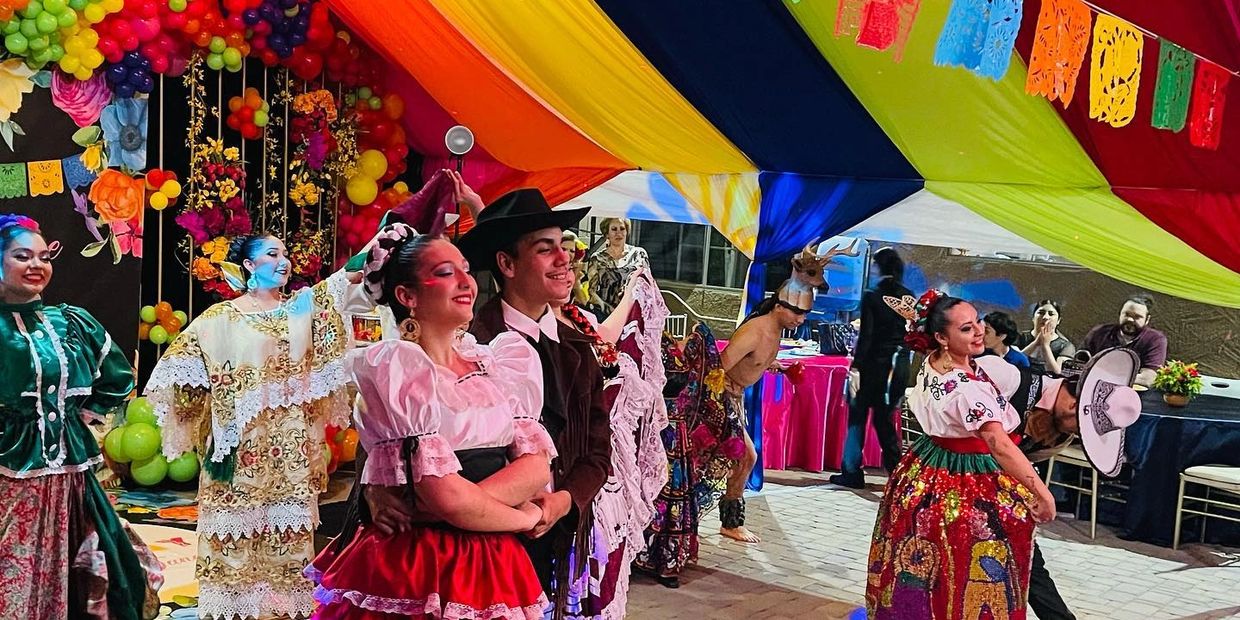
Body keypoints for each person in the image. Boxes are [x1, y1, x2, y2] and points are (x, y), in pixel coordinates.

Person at [307, 224, 555, 618]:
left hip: (491, 560)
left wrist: (468, 512)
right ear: (407, 296)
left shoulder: (499, 363)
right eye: (444, 272)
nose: (465, 282)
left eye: (466, 269)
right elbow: (445, 494)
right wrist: (525, 516)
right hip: (419, 562)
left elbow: (535, 465)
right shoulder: (397, 372)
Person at [146, 232, 368, 620]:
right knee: (236, 531)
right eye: (271, 254)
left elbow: (334, 288)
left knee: (286, 533)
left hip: (290, 446)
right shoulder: (220, 319)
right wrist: (192, 404)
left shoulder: (300, 309)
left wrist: (377, 245)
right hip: (239, 449)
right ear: (248, 265)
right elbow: (178, 367)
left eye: (285, 253)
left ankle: (281, 610)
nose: (283, 261)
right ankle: (234, 608)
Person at [447, 187, 611, 618]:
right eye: (546, 249)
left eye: (565, 246)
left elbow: (597, 451)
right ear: (507, 263)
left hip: (554, 539)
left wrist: (564, 500)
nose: (564, 259)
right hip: (478, 548)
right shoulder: (465, 345)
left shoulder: (578, 349)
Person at [0, 214, 162, 619]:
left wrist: (79, 416)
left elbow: (117, 375)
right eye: (23, 256)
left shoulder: (71, 323)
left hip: (70, 475)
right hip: (9, 472)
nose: (37, 266)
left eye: (44, 257)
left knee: (77, 562)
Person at [866, 289, 1056, 620]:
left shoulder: (933, 363)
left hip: (926, 468)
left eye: (977, 321)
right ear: (940, 336)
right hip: (966, 482)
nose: (979, 330)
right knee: (973, 563)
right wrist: (1042, 492)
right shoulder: (967, 390)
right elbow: (999, 444)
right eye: (966, 328)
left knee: (929, 567)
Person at [553, 257, 670, 617]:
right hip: (565, 469)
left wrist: (632, 291)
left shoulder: (579, 320)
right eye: (550, 254)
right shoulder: (523, 335)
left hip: (603, 467)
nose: (565, 268)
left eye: (570, 260)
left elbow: (608, 335)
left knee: (602, 566)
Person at [1005, 347, 1141, 620]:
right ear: (1072, 405)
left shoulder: (1061, 436)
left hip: (999, 488)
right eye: (1080, 426)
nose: (1078, 434)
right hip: (949, 476)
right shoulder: (1007, 378)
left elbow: (1022, 461)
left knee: (1027, 556)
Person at [634, 323, 745, 589]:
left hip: (672, 432)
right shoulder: (639, 345)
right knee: (648, 492)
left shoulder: (691, 345)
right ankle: (640, 556)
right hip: (649, 431)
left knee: (671, 493)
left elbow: (709, 386)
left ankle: (667, 562)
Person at [717, 296, 808, 543]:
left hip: (735, 396)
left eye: (804, 313)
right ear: (779, 306)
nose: (801, 319)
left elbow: (751, 359)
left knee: (744, 458)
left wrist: (770, 363)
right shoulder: (754, 331)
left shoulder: (774, 330)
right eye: (797, 312)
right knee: (747, 456)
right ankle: (731, 523)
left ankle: (730, 523)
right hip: (720, 394)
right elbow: (719, 366)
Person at [831, 246, 912, 489]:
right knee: (885, 421)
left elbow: (866, 336)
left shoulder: (872, 295)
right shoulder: (908, 296)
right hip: (897, 367)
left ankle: (852, 470)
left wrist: (856, 366)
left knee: (857, 418)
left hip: (872, 367)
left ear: (879, 267)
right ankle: (898, 475)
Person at [1079, 293, 1167, 387]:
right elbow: (1079, 363)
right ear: (1120, 313)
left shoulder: (1155, 340)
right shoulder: (1099, 332)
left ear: (1147, 319)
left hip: (1132, 396)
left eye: (1137, 317)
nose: (1130, 319)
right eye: (1126, 314)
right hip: (1091, 388)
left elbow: (1148, 379)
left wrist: (1106, 377)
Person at [585, 217, 648, 314]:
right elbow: (591, 292)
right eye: (614, 229)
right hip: (605, 314)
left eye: (622, 229)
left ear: (627, 231)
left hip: (633, 314)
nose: (618, 233)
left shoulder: (639, 254)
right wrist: (608, 310)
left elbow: (648, 285)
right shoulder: (597, 258)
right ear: (607, 234)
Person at [1014, 300, 1076, 376]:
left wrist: (1045, 345)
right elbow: (1012, 362)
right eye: (1041, 313)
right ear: (1033, 318)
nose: (1045, 317)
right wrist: (1036, 343)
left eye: (1051, 314)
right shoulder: (1019, 337)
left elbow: (1056, 372)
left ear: (1058, 321)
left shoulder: (1066, 346)